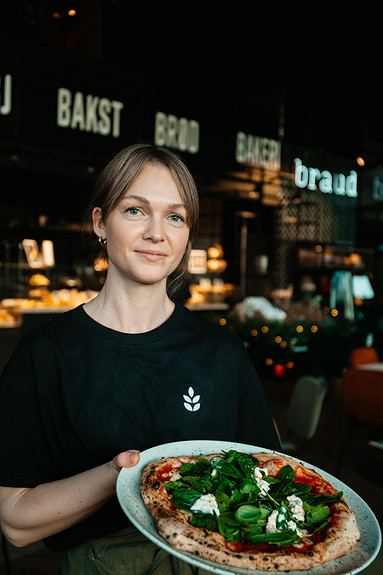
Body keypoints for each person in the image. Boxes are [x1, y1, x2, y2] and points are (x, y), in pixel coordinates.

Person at [0, 143, 281, 574]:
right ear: (100, 222)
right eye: (135, 210)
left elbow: (270, 488)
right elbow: (15, 521)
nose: (157, 233)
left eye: (175, 216)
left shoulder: (222, 354)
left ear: (187, 234)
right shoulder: (45, 355)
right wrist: (121, 473)